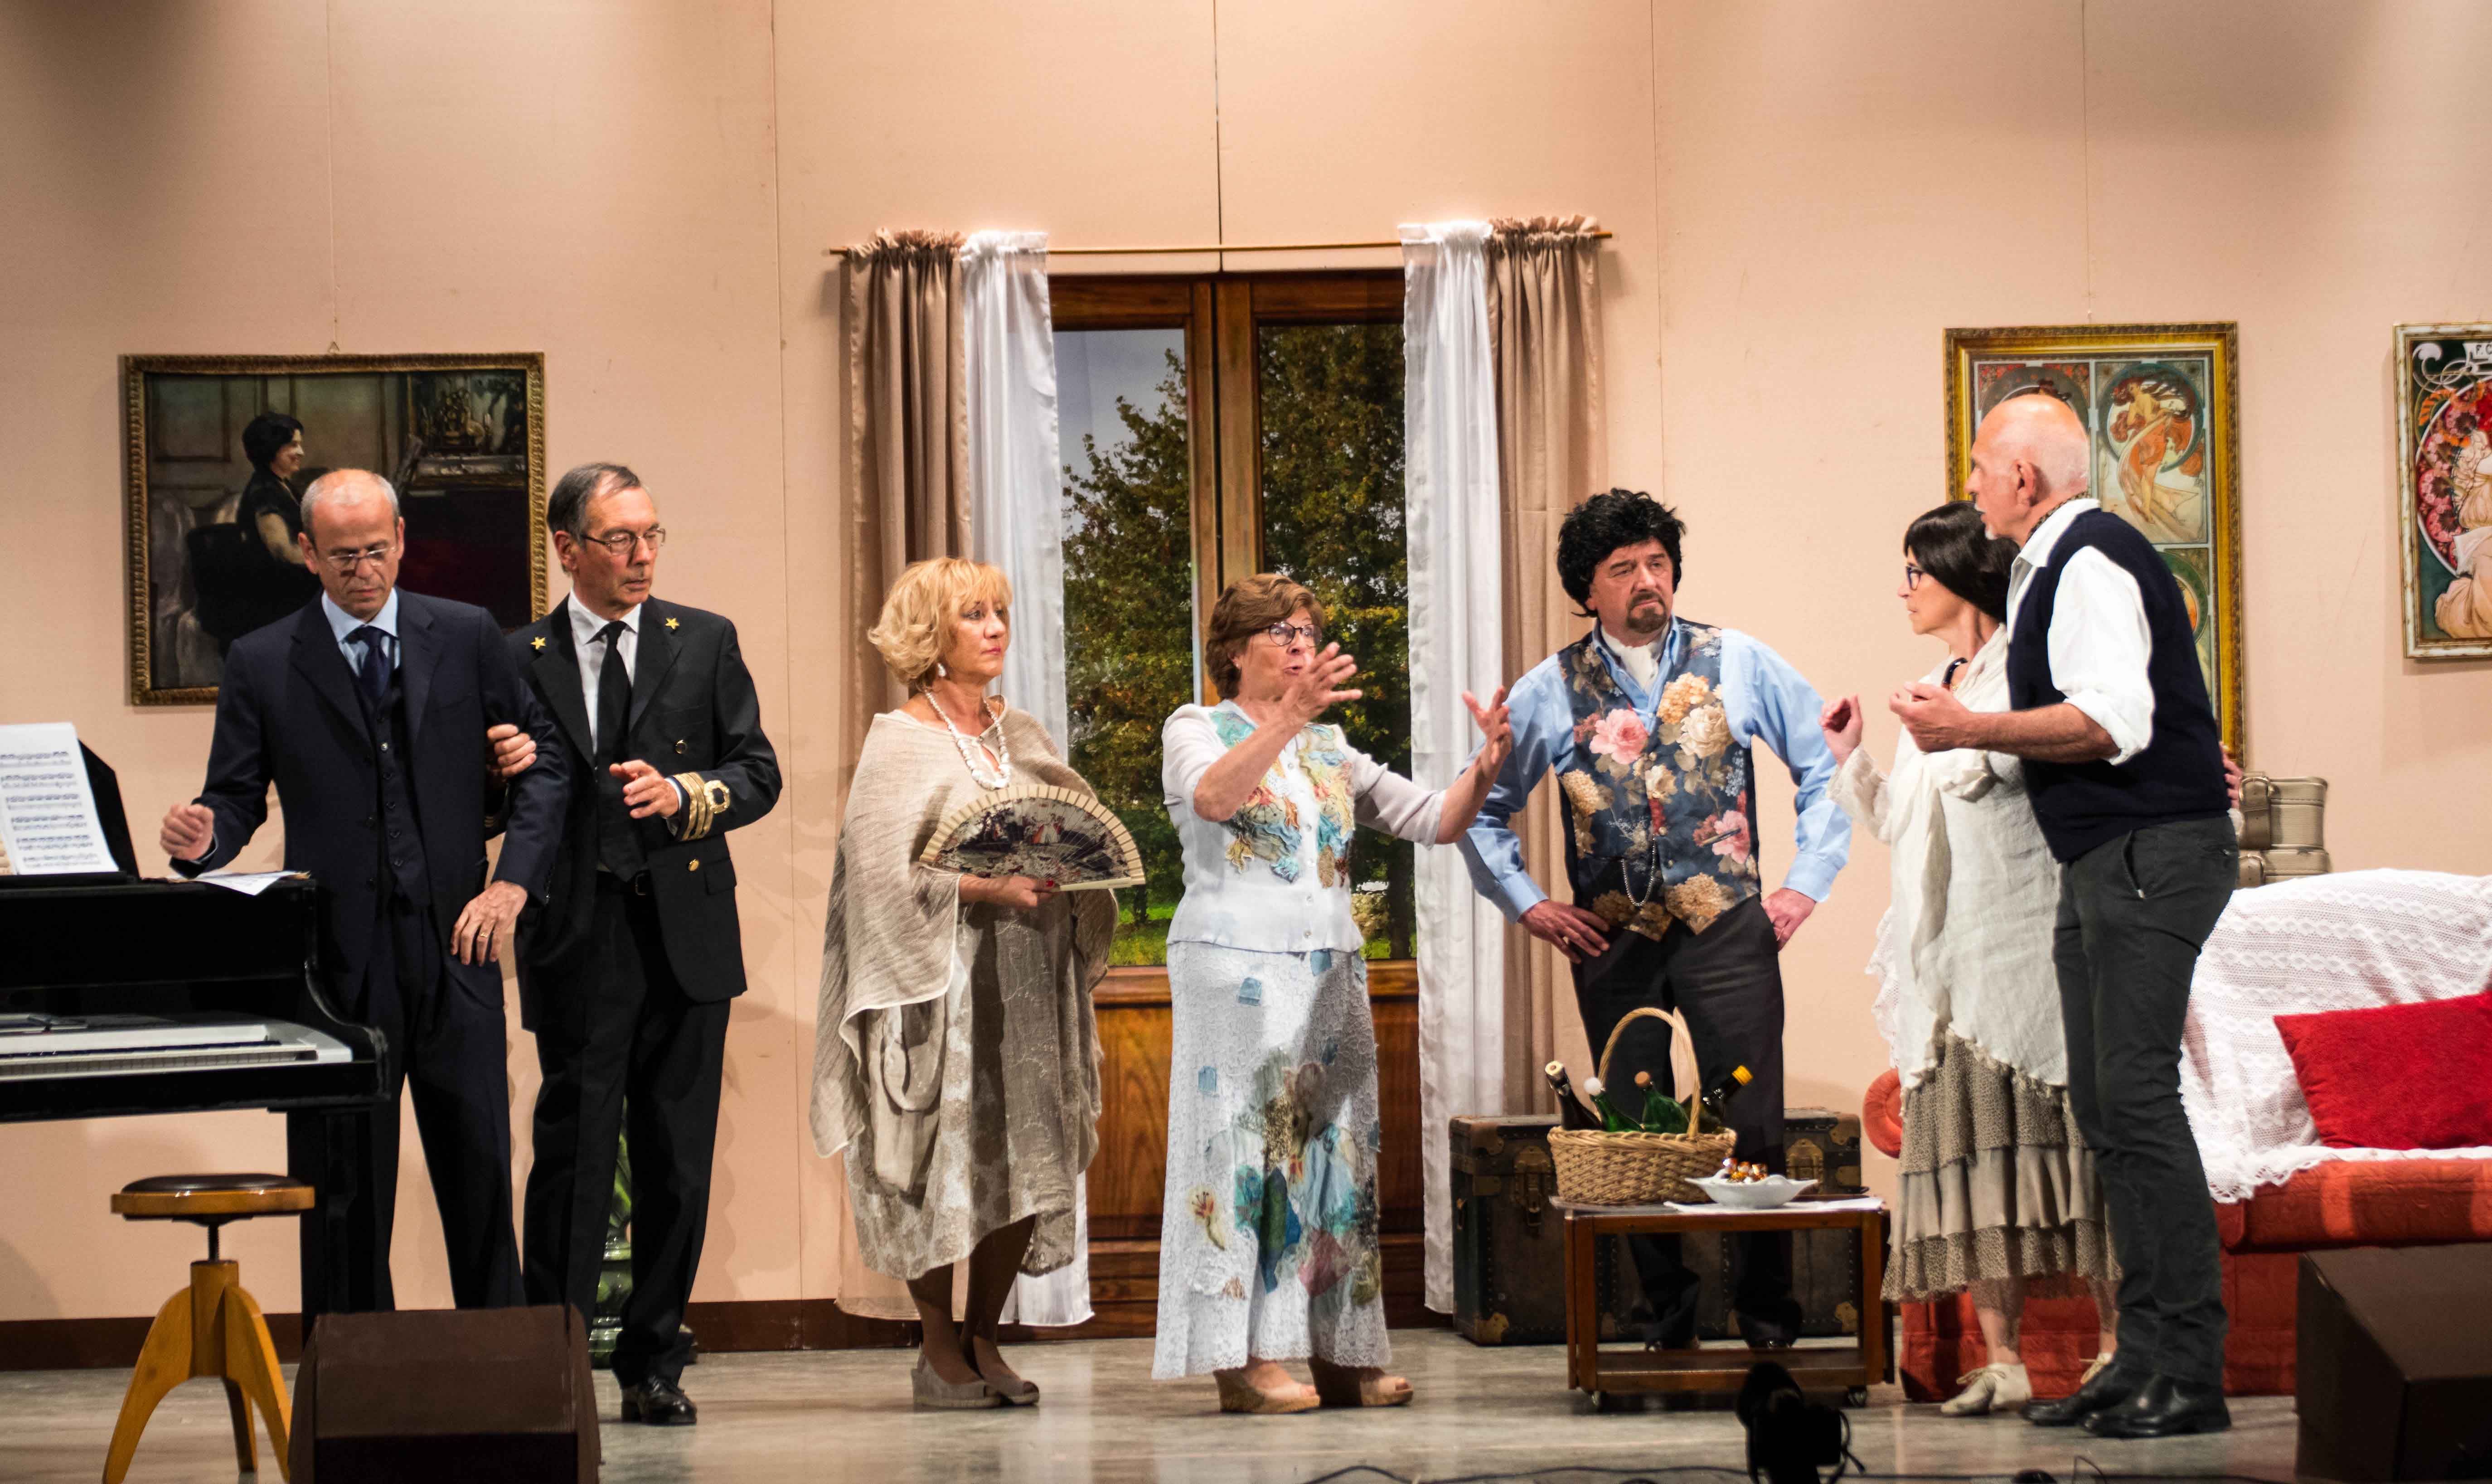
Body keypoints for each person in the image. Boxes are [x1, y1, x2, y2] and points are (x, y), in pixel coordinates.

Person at [1894, 393, 2236, 1440]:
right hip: (2103, 860)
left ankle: (2188, 1372)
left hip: (2147, 855)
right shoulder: (2047, 568)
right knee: (2105, 1110)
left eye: (1979, 469)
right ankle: (2138, 1361)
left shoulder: (2087, 558)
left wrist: (1969, 727)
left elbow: (2112, 723)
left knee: (2134, 1103)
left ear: (2023, 478)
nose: (1971, 488)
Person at [158, 468, 565, 1310]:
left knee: (480, 1179)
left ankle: (500, 1372)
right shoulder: (262, 659)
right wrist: (205, 841)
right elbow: (234, 797)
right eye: (343, 556)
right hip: (337, 967)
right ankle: (348, 1376)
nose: (363, 570)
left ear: (402, 540)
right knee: (346, 1192)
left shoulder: (466, 634)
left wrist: (512, 887)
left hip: (457, 947)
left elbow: (541, 766)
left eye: (377, 550)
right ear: (308, 553)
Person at [1459, 489, 1850, 1351]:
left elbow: (1825, 766)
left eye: (1657, 563)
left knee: (1751, 1120)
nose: (1647, 581)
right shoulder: (1547, 689)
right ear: (1586, 589)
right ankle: (1665, 1318)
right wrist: (1529, 903)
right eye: (1623, 568)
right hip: (1614, 941)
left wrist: (1803, 884)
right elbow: (1480, 807)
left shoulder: (1737, 660)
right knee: (1634, 1124)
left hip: (1729, 931)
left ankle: (1767, 1320)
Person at [1821, 501, 2118, 1417]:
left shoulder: (2029, 671)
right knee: (1976, 1161)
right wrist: (1852, 760)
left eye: (1916, 571)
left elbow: (2025, 772)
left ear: (1959, 575)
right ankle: (2003, 1360)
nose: (1903, 589)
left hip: (2023, 944)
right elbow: (1903, 822)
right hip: (1946, 956)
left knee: (2074, 1155)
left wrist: (1965, 733)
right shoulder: (1931, 684)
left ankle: (2117, 1348)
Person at [501, 463, 780, 1427]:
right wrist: (495, 774)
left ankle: (655, 1362)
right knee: (572, 1158)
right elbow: (485, 803)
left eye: (652, 535)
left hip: (684, 933)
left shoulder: (702, 640)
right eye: (619, 538)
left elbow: (757, 772)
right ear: (567, 548)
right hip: (576, 935)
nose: (642, 555)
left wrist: (687, 795)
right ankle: (551, 1361)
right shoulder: (517, 655)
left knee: (676, 1160)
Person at [810, 557, 1113, 1410]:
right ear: (930, 634)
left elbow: (1074, 831)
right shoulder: (900, 738)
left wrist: (1069, 874)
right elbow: (877, 879)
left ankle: (986, 1336)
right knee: (937, 1159)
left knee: (1025, 1154)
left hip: (1028, 984)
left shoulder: (1021, 734)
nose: (995, 628)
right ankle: (937, 1346)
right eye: (974, 614)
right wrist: (986, 887)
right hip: (936, 987)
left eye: (999, 612)